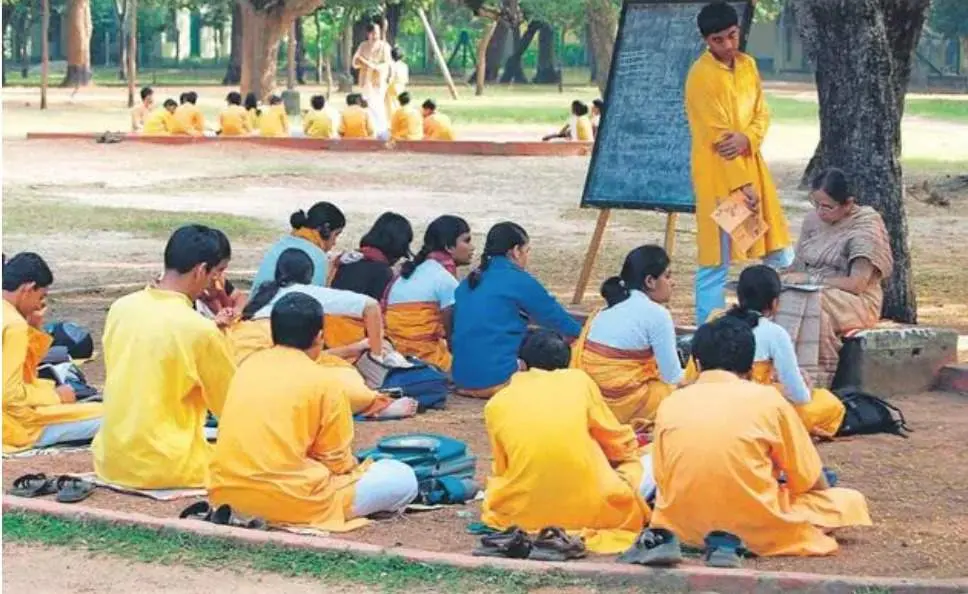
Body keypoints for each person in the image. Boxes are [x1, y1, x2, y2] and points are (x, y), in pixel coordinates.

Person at [650, 316, 872, 556]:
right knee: (848, 501)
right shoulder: (769, 400)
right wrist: (821, 494)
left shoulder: (671, 402)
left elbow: (662, 476)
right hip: (755, 528)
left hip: (683, 529)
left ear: (697, 362)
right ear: (749, 367)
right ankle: (761, 534)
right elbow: (808, 478)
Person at [209, 292, 419, 532]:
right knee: (401, 477)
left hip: (226, 495)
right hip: (293, 501)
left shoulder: (245, 369)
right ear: (320, 336)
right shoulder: (325, 381)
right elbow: (337, 462)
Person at [481, 330, 652, 553]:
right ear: (569, 361)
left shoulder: (497, 403)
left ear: (521, 364)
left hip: (521, 512)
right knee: (642, 464)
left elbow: (502, 467)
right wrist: (631, 454)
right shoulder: (579, 382)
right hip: (594, 508)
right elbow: (614, 439)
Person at [93, 225, 236, 489]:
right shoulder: (200, 329)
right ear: (201, 270)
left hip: (110, 460)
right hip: (170, 466)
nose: (217, 283)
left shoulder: (121, 308)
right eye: (218, 273)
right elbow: (231, 407)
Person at [685, 2, 793, 325]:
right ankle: (710, 333)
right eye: (719, 40)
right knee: (715, 262)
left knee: (777, 250)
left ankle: (774, 321)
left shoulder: (748, 66)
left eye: (732, 36)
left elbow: (762, 114)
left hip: (753, 172)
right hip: (722, 182)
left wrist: (748, 138)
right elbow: (720, 140)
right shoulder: (700, 77)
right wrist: (742, 186)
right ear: (707, 40)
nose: (728, 45)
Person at [228, 250, 416, 419]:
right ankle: (374, 404)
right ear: (309, 277)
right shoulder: (304, 294)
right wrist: (376, 356)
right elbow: (371, 305)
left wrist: (355, 348)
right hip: (266, 367)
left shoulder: (263, 296)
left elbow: (297, 357)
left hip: (234, 369)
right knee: (339, 379)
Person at [775, 168, 893, 388]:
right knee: (775, 295)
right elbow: (797, 267)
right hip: (812, 290)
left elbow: (857, 284)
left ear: (848, 204)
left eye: (827, 207)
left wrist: (811, 280)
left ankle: (808, 379)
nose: (820, 212)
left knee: (805, 300)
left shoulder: (866, 225)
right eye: (815, 204)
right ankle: (775, 371)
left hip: (854, 299)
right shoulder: (812, 220)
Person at [451, 222, 581, 398]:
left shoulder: (470, 281)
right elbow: (559, 321)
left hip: (461, 380)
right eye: (526, 251)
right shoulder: (519, 280)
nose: (527, 257)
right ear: (515, 251)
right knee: (549, 345)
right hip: (497, 381)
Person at [721, 265, 845, 437]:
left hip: (714, 404)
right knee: (830, 403)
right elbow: (800, 396)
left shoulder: (714, 322)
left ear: (738, 296)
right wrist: (806, 386)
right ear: (774, 303)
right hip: (753, 411)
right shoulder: (774, 333)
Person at [572, 246, 683, 425]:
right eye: (667, 276)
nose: (673, 283)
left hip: (592, 400)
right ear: (650, 281)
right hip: (622, 403)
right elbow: (673, 377)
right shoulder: (657, 314)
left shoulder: (605, 309)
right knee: (680, 397)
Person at [3, 253, 102, 453]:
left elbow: (25, 372)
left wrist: (34, 326)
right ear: (28, 289)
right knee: (120, 417)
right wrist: (55, 396)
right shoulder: (13, 325)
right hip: (14, 427)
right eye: (41, 297)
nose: (39, 305)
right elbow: (8, 394)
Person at [385, 215, 474, 371]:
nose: (472, 247)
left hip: (394, 353)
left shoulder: (410, 272)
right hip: (426, 357)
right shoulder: (444, 278)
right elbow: (453, 333)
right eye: (466, 241)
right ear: (449, 247)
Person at [327, 212, 413, 348]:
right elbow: (375, 318)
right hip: (350, 341)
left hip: (325, 333)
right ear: (397, 248)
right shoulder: (382, 272)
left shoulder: (347, 259)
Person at [252, 202, 346, 291]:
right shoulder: (318, 257)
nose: (334, 243)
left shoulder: (280, 244)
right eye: (336, 235)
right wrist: (333, 270)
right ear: (326, 229)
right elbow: (318, 300)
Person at [195, 229, 246, 328]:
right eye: (220, 269)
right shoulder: (191, 292)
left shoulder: (218, 281)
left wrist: (235, 311)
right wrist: (214, 323)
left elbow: (240, 297)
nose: (219, 275)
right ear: (202, 269)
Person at [352, 22, 392, 136]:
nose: (376, 35)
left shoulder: (385, 46)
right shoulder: (363, 45)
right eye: (373, 33)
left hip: (378, 81)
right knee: (368, 106)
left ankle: (382, 130)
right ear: (368, 34)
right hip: (365, 81)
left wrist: (372, 65)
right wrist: (364, 63)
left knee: (377, 105)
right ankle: (371, 130)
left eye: (377, 33)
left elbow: (386, 64)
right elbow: (355, 62)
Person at [386, 46, 410, 117]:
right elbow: (406, 80)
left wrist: (387, 81)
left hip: (392, 86)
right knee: (400, 104)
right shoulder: (404, 65)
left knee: (391, 106)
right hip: (401, 86)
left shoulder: (391, 65)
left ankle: (393, 121)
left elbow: (390, 78)